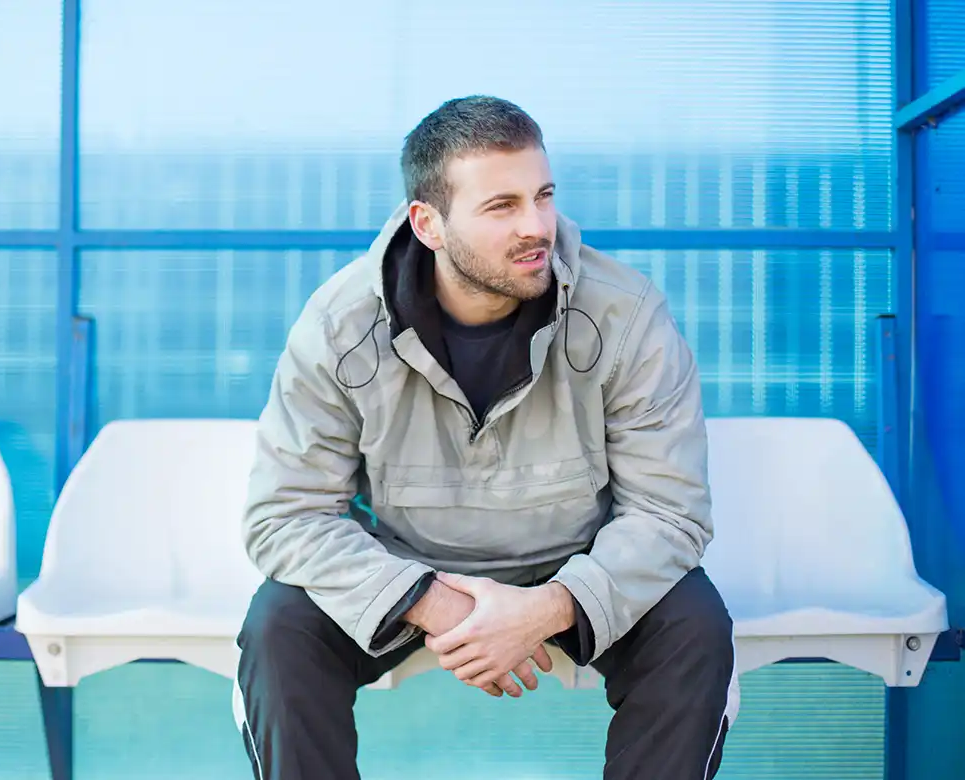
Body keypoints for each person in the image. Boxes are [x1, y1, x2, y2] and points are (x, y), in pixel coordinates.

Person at [234, 95, 738, 780]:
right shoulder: (338, 325)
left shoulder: (626, 314)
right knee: (279, 628)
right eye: (501, 207)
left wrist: (548, 607)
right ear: (429, 224)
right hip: (409, 569)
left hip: (575, 564)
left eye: (543, 196)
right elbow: (285, 515)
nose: (537, 226)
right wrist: (434, 603)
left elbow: (669, 513)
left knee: (694, 626)